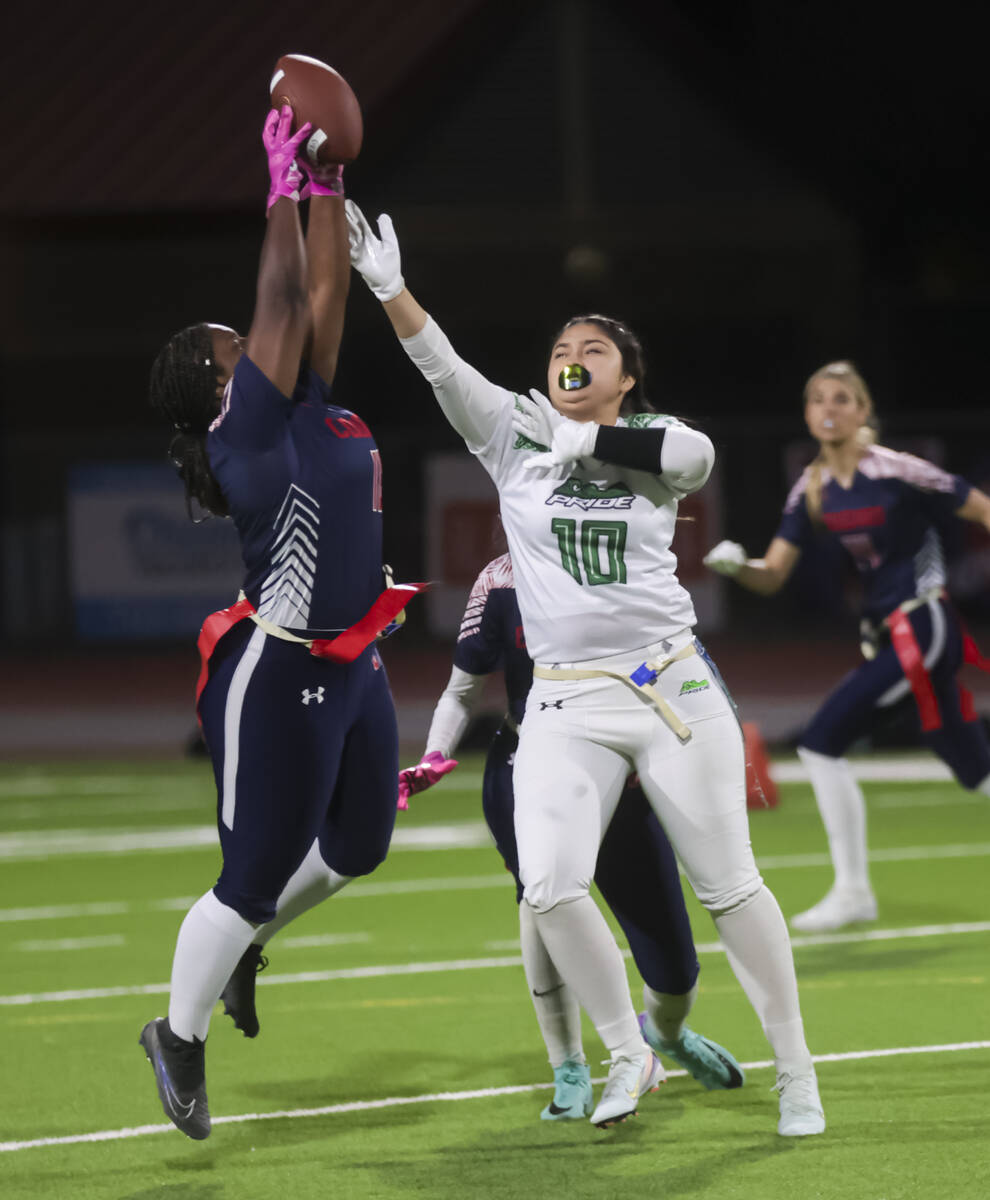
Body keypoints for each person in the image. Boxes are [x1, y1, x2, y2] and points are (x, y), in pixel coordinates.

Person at [346, 202, 824, 1136]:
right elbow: (438, 363)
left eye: (593, 346)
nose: (572, 351)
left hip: (667, 684)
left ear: (626, 378)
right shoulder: (513, 436)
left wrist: (593, 439)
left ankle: (797, 1070)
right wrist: (388, 287)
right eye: (563, 342)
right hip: (564, 699)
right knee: (550, 885)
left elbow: (699, 453)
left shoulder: (652, 438)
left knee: (729, 885)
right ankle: (628, 1052)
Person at [140, 110, 418, 1140]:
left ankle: (245, 944)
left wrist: (330, 180)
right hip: (280, 670)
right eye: (239, 343)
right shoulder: (243, 427)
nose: (261, 337)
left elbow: (321, 295)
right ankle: (178, 1033)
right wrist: (276, 192)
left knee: (360, 845)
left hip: (357, 663)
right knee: (249, 875)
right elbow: (285, 296)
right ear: (221, 377)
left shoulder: (304, 403)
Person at [400, 551, 744, 1120]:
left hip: (622, 774)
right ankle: (569, 1064)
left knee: (675, 966)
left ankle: (665, 1033)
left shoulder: (625, 557)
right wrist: (435, 752)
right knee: (542, 901)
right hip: (526, 766)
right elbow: (462, 689)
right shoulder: (501, 577)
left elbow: (678, 662)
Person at [704, 360, 990, 931]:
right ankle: (854, 891)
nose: (829, 409)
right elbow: (773, 574)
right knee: (971, 764)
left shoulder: (897, 470)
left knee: (821, 742)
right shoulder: (811, 485)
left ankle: (854, 892)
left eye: (842, 399)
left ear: (863, 411)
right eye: (817, 400)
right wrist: (739, 567)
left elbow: (981, 507)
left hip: (924, 624)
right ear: (807, 414)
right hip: (887, 633)